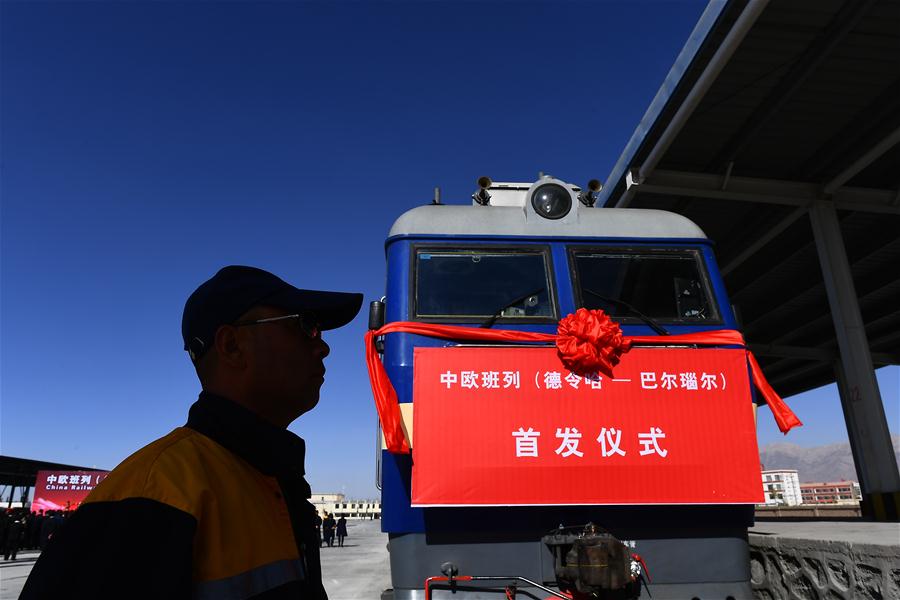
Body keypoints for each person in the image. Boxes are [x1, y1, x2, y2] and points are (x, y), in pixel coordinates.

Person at [21, 265, 362, 599]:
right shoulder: (150, 497)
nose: (323, 347)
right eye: (305, 326)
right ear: (231, 345)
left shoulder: (271, 480)